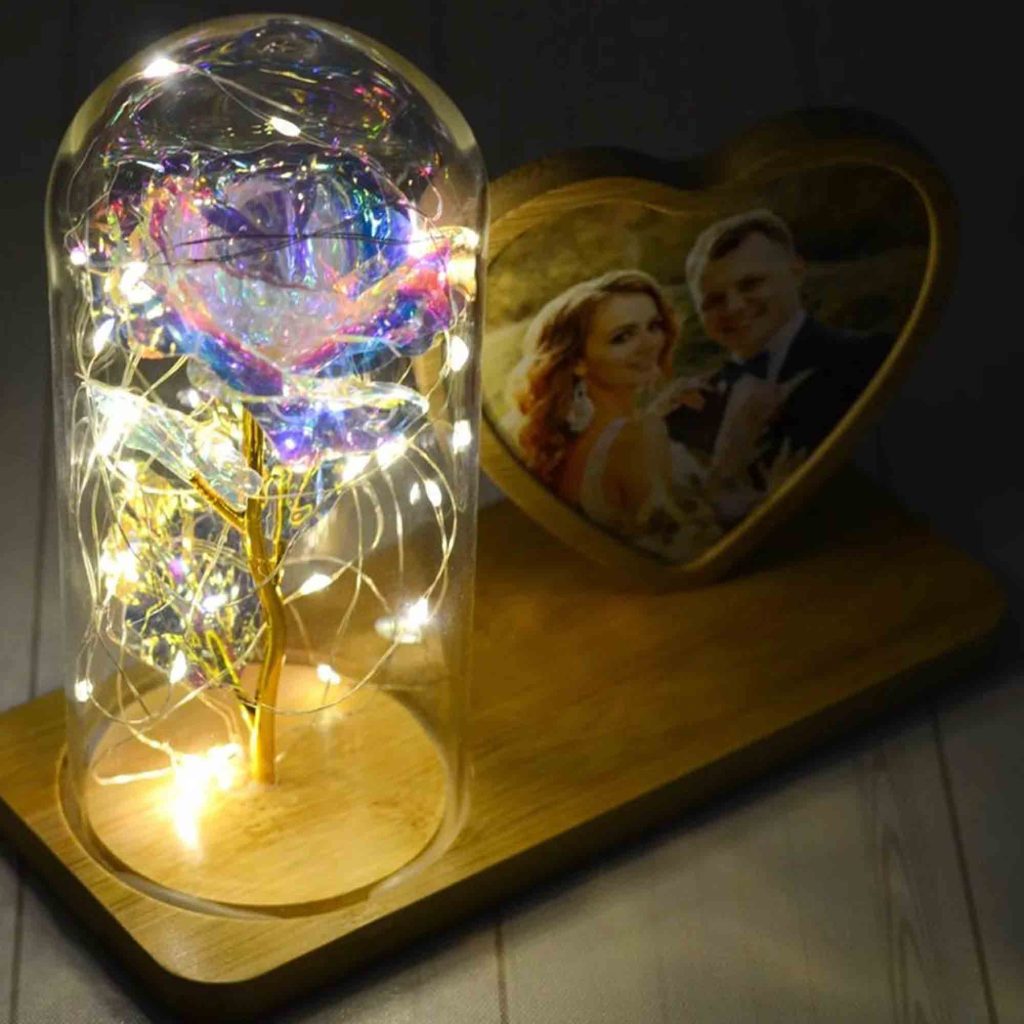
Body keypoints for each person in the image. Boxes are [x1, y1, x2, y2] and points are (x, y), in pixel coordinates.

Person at [667, 209, 894, 525]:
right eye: (714, 300)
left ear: (797, 271)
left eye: (750, 284)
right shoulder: (688, 405)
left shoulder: (870, 359)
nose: (734, 306)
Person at [510, 270, 720, 560]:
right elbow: (691, 547)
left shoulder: (569, 447)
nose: (650, 343)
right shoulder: (640, 435)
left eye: (653, 326)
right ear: (578, 362)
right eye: (622, 337)